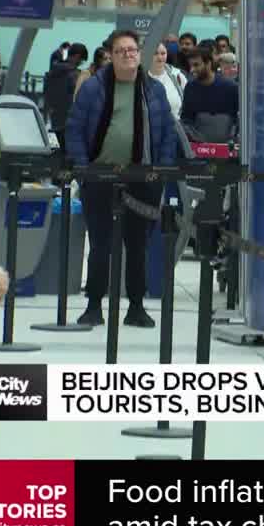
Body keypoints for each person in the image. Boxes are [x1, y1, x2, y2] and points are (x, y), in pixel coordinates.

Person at [66, 29, 177, 328]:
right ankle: (93, 306)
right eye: (121, 51)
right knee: (101, 244)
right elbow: (74, 129)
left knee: (138, 244)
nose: (128, 55)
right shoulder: (93, 88)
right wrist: (82, 168)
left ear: (139, 54)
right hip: (100, 177)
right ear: (111, 56)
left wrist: (161, 172)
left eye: (132, 50)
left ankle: (137, 307)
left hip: (143, 178)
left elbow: (167, 134)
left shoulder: (154, 90)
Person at [180, 48, 239, 143]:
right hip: (198, 150)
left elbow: (237, 121)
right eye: (190, 66)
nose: (192, 70)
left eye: (196, 65)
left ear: (208, 63)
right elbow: (186, 119)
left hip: (226, 150)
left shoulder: (231, 88)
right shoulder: (190, 87)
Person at [44, 43, 88, 150]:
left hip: (55, 120)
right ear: (77, 56)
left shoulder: (52, 72)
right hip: (71, 121)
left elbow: (47, 94)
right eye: (81, 60)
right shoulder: (75, 75)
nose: (80, 63)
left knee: (57, 154)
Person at [147, 42, 189, 119]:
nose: (160, 57)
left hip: (176, 126)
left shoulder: (177, 75)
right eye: (155, 54)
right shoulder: (141, 76)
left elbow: (188, 102)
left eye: (163, 54)